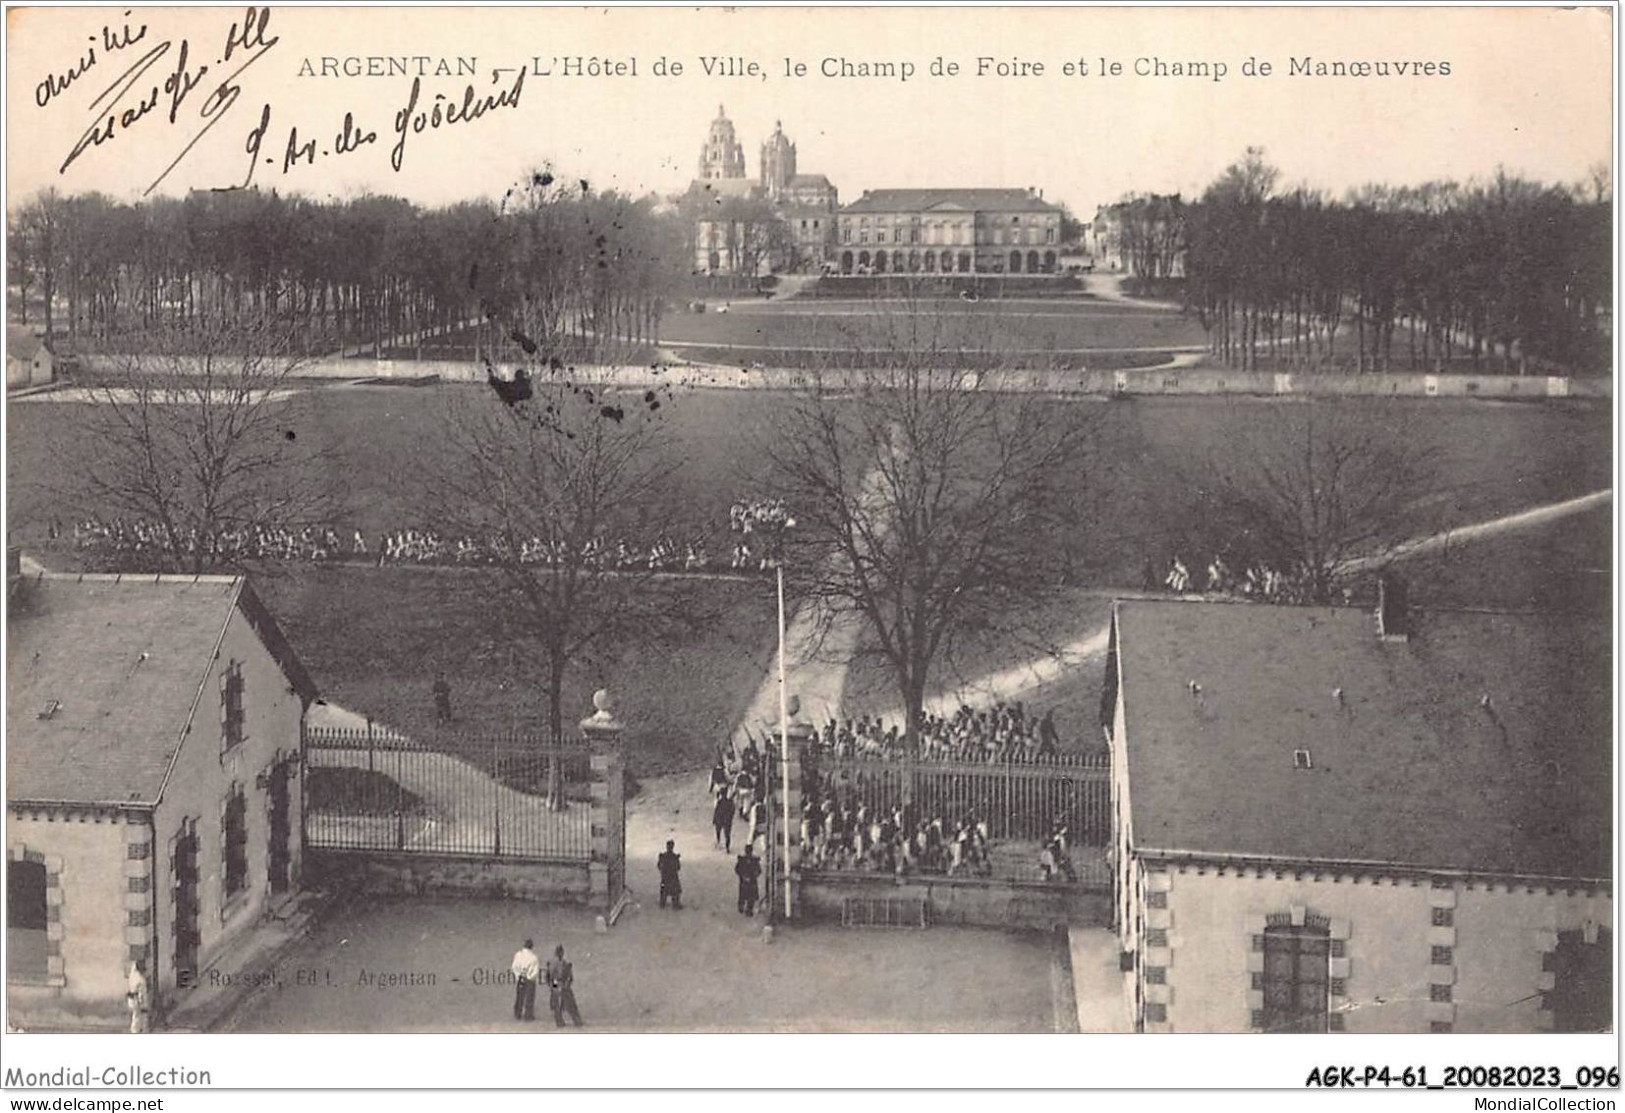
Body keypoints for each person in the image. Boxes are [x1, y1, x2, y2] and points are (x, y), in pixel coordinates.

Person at [546, 945, 583, 1028]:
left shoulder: (552, 963)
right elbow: (570, 977)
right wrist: (566, 985)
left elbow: (548, 977)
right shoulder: (565, 963)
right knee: (569, 1003)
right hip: (562, 983)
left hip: (556, 983)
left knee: (557, 1004)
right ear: (562, 953)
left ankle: (560, 1021)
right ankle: (576, 1021)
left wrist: (551, 986)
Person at [511, 938, 540, 1021]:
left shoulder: (518, 955)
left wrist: (518, 975)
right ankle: (528, 1015)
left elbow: (514, 966)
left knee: (519, 996)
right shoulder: (534, 958)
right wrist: (530, 977)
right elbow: (535, 970)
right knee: (529, 998)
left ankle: (517, 1013)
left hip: (521, 977)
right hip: (529, 980)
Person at [735, 844, 762, 916]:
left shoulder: (742, 860)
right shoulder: (754, 860)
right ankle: (748, 909)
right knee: (750, 896)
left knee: (743, 895)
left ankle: (743, 907)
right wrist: (754, 876)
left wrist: (742, 876)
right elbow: (759, 871)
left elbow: (737, 869)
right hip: (751, 880)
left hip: (745, 880)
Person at [657, 840, 683, 910]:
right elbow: (678, 867)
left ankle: (663, 903)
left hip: (665, 877)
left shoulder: (663, 856)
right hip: (673, 877)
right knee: (675, 891)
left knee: (664, 890)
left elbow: (659, 866)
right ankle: (675, 904)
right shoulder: (674, 857)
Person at [126, 959, 150, 1033]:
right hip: (137, 1000)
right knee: (138, 1018)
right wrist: (142, 1004)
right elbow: (141, 993)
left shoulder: (132, 975)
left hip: (131, 999)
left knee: (135, 1016)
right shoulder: (140, 980)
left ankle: (136, 1030)